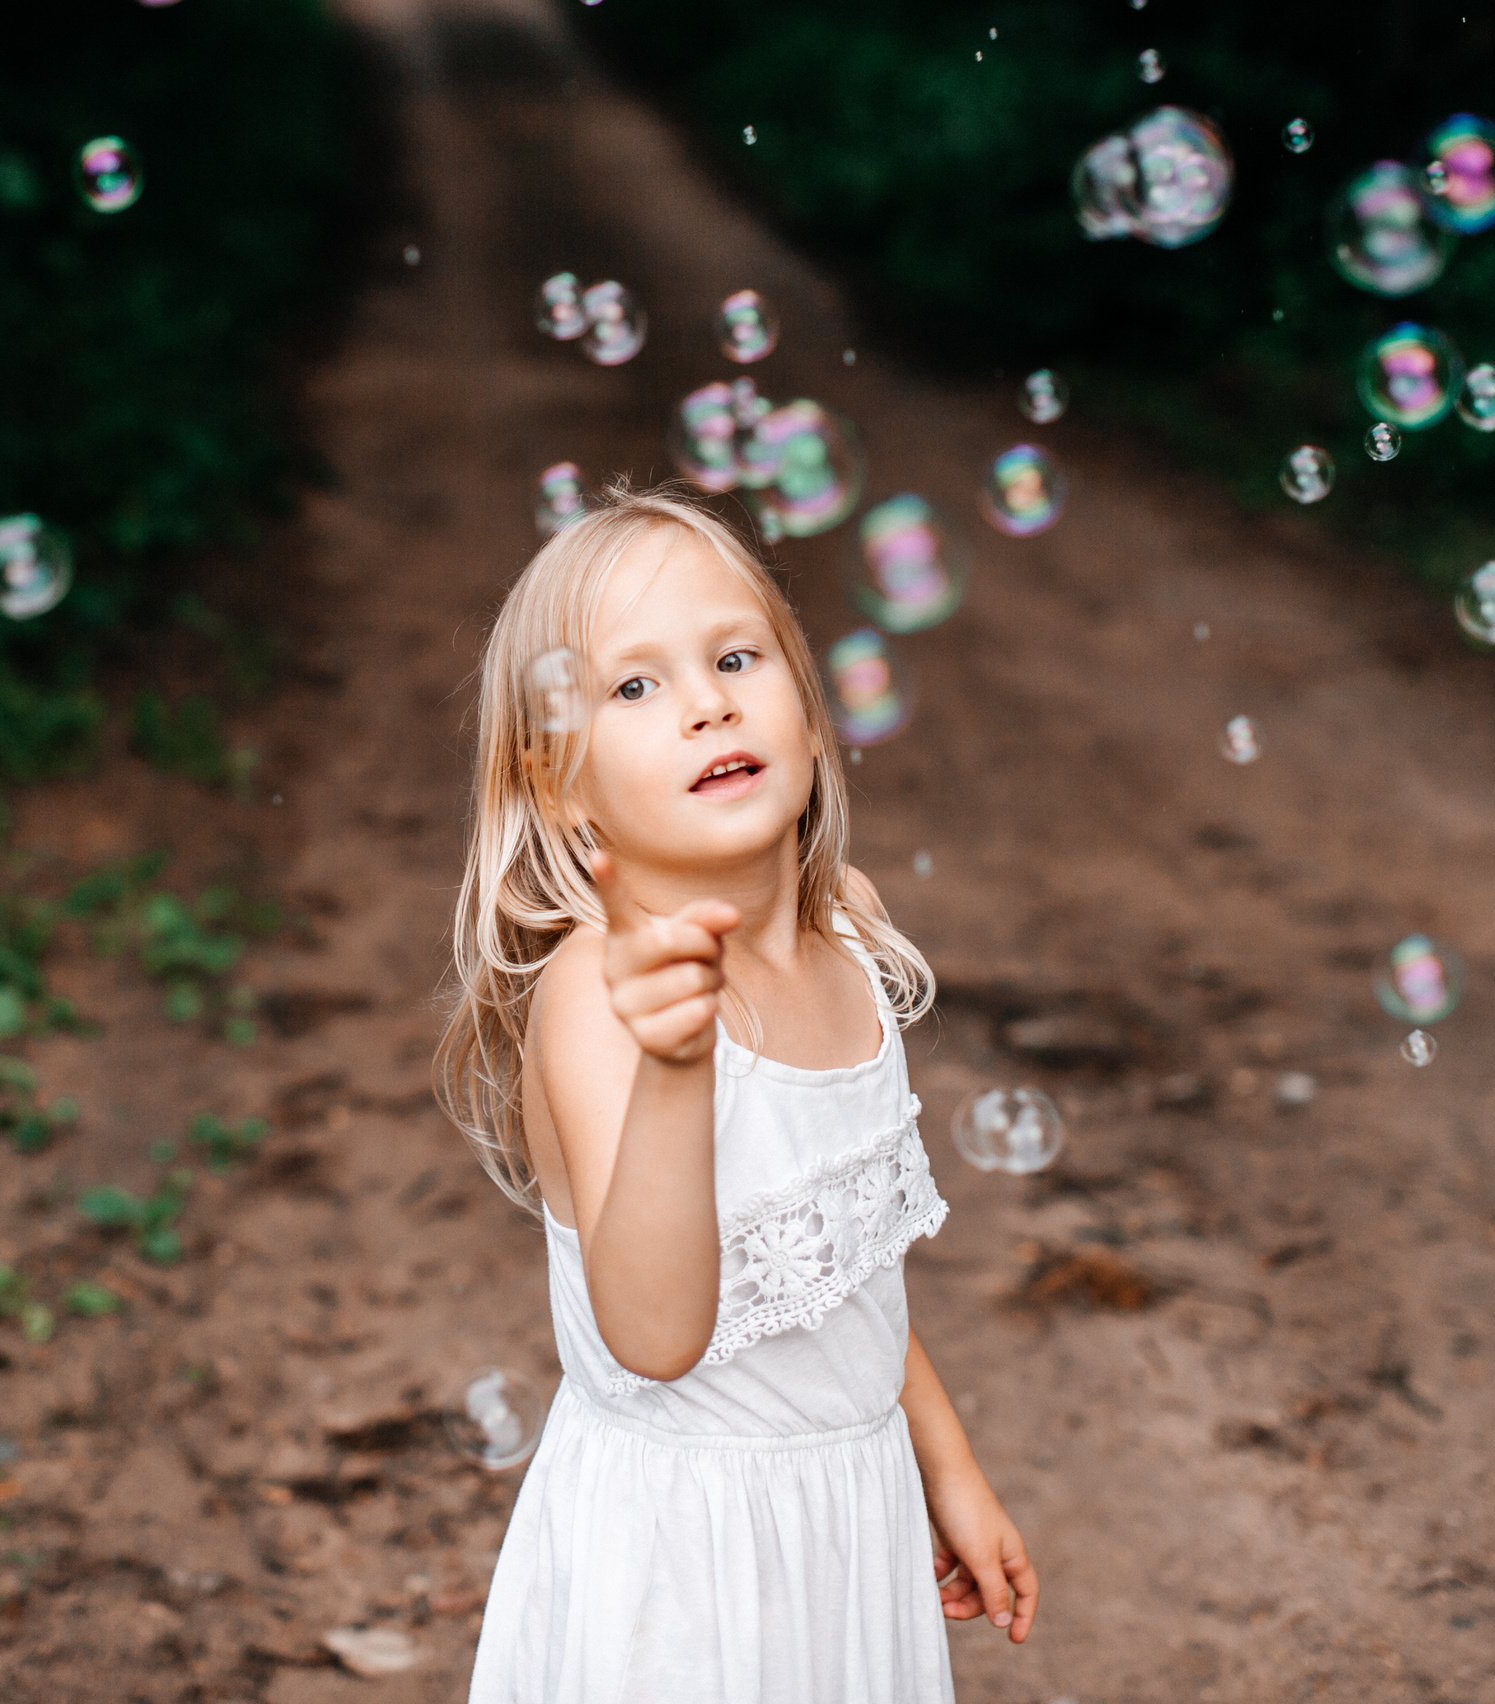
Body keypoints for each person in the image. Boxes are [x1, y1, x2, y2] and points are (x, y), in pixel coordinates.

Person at [436, 484, 1036, 1702]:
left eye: (734, 658)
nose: (706, 702)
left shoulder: (846, 932)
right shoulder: (598, 996)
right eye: (633, 686)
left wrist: (948, 1466)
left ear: (809, 716)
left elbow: (840, 1277)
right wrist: (676, 1068)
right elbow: (655, 1338)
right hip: (683, 1569)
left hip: (848, 1525)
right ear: (562, 789)